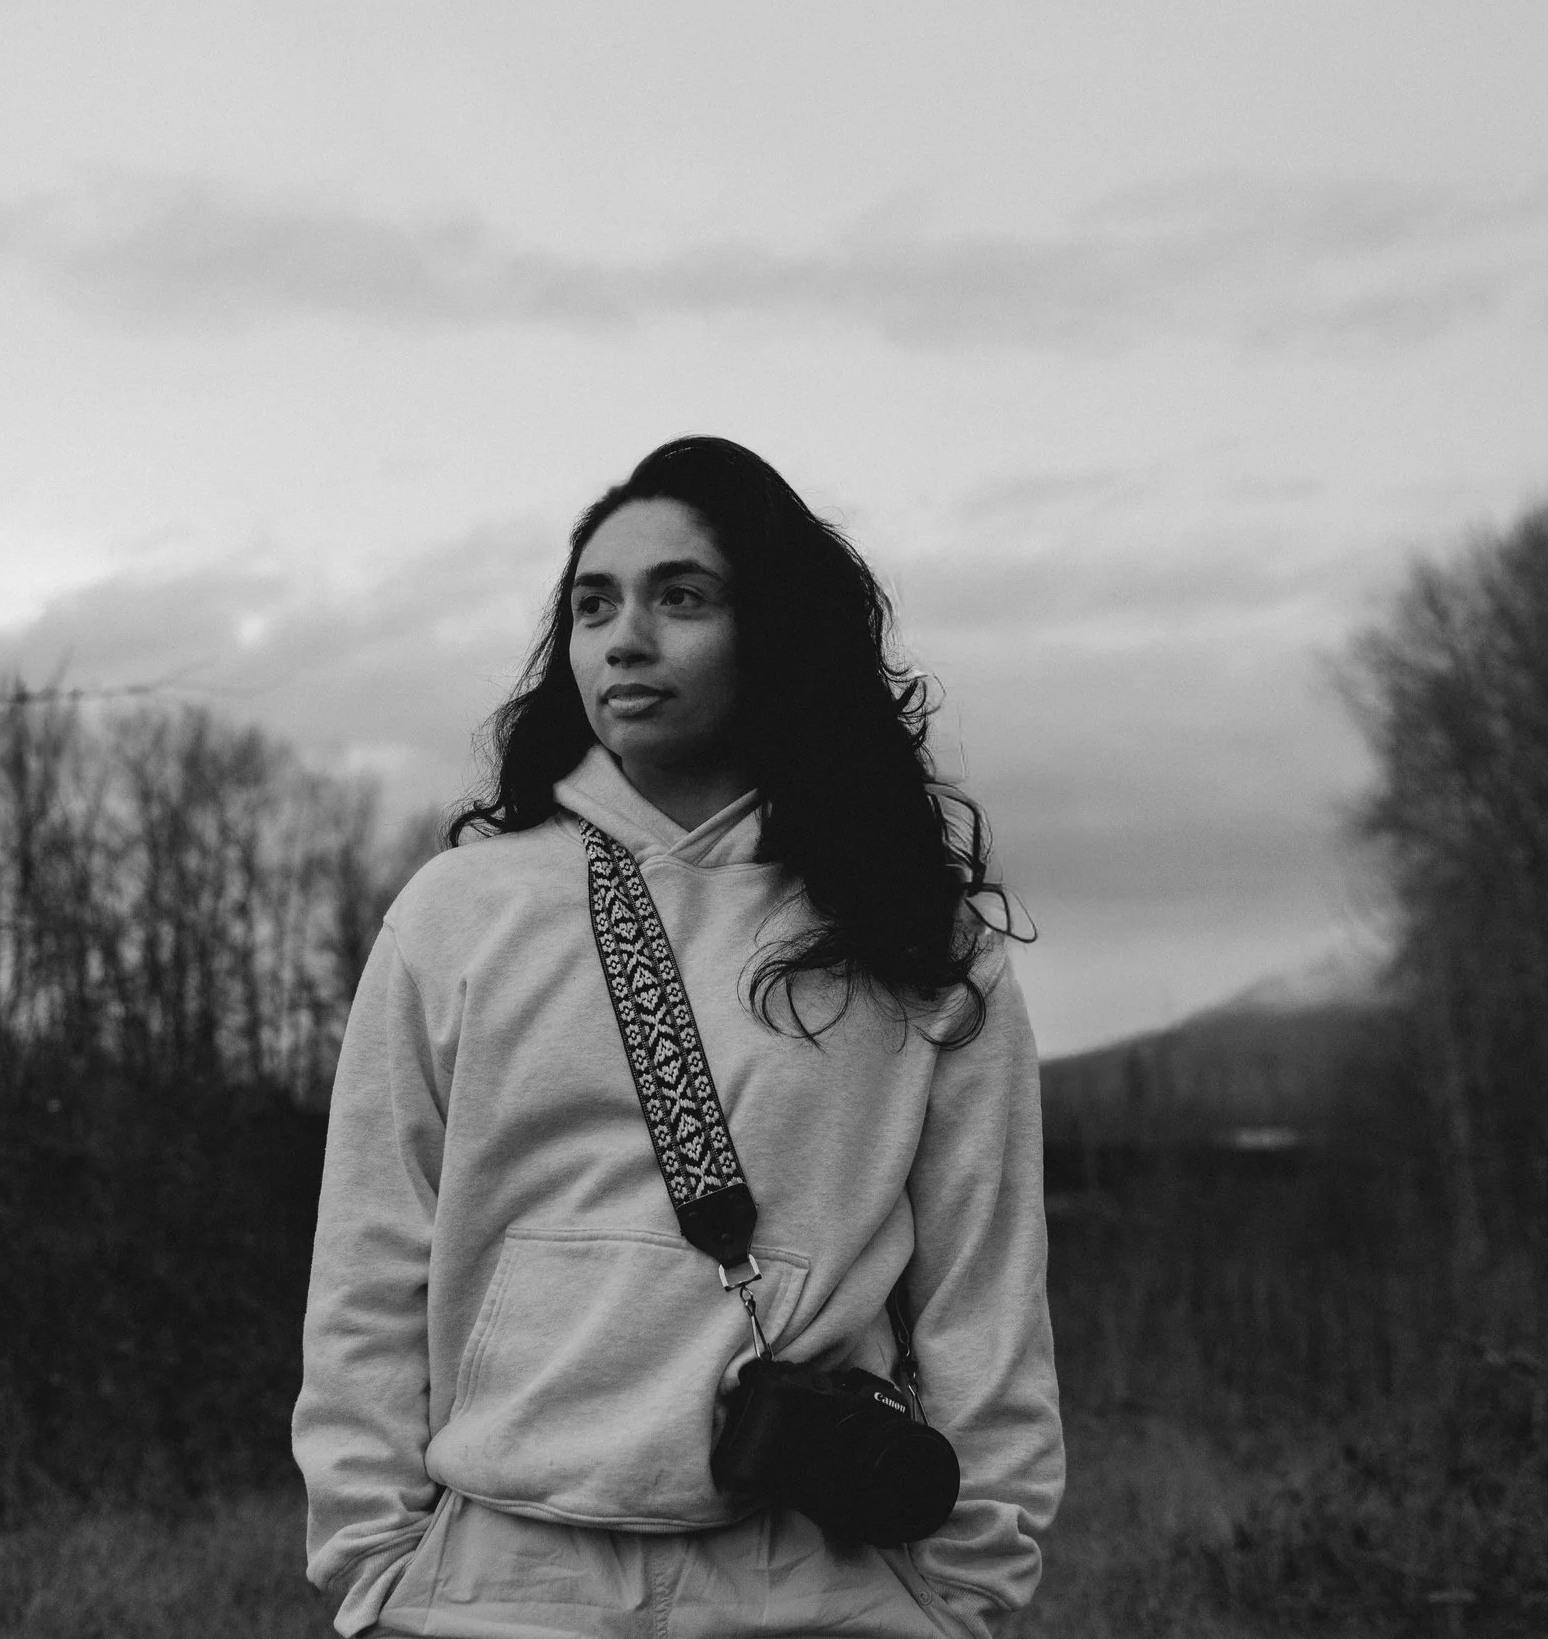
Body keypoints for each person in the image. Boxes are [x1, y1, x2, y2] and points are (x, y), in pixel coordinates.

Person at [293, 437, 1063, 1638]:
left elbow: (986, 1291)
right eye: (593, 604)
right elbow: (367, 1261)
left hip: (816, 1574)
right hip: (501, 1579)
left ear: (777, 632)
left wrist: (966, 1590)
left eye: (681, 596)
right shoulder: (461, 911)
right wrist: (375, 1560)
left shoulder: (917, 938)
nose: (624, 638)